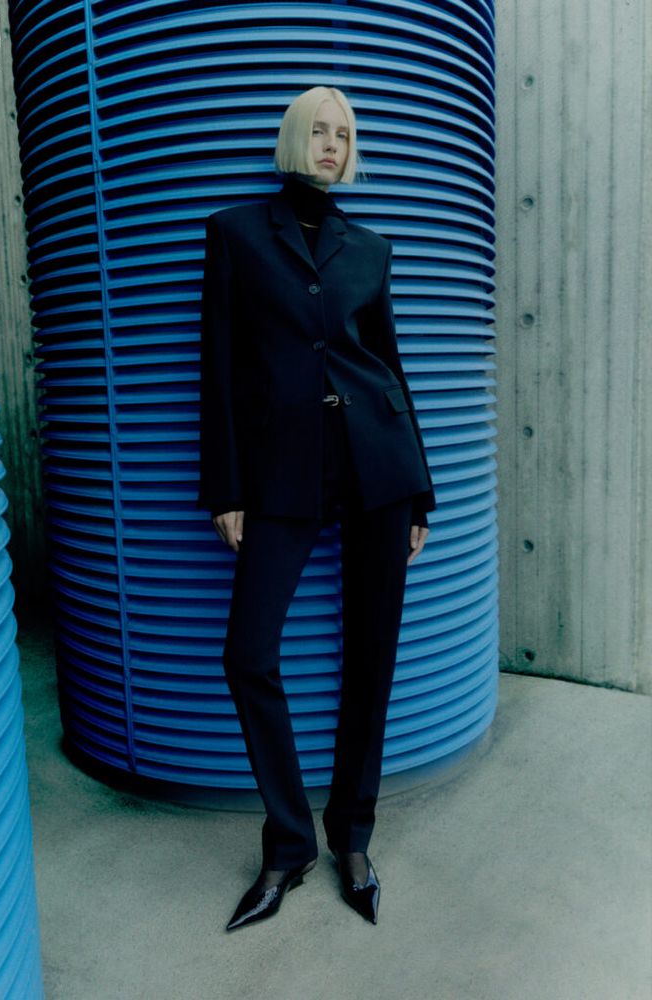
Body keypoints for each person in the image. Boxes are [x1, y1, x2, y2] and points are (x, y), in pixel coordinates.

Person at [195, 85, 436, 931]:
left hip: (380, 466)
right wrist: (225, 488)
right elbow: (219, 367)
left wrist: (423, 490)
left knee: (373, 655)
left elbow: (390, 366)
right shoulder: (234, 233)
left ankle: (353, 836)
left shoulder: (370, 249)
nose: (333, 144)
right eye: (320, 131)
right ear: (295, 138)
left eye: (345, 134)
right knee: (247, 653)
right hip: (281, 473)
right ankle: (290, 842)